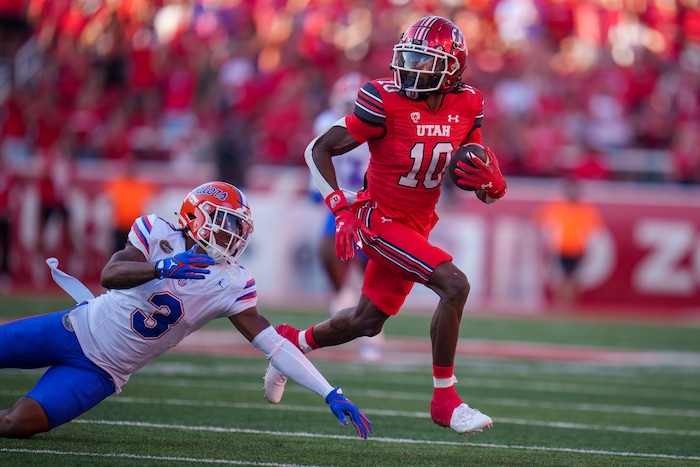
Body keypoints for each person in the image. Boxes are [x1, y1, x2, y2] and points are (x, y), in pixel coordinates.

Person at [264, 16, 507, 436]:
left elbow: (477, 174)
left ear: (451, 70)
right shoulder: (383, 99)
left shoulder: (469, 102)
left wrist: (495, 185)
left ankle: (288, 342)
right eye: (409, 57)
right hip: (378, 219)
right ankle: (444, 401)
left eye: (424, 61)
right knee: (455, 285)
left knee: (365, 322)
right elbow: (318, 149)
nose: (411, 68)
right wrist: (341, 209)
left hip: (419, 224)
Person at [0, 181, 372, 439]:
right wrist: (161, 267)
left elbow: (275, 345)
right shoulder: (157, 232)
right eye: (225, 223)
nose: (233, 235)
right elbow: (110, 274)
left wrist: (328, 391)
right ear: (196, 216)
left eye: (238, 227)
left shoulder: (233, 282)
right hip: (72, 327)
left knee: (18, 424)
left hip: (102, 371)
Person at [312, 72, 384, 361]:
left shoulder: (381, 126)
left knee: (372, 272)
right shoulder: (326, 123)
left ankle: (371, 333)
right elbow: (319, 157)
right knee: (330, 254)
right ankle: (341, 305)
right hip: (342, 201)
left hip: (372, 202)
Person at [534, 178, 605, 305]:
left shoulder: (585, 207)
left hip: (577, 248)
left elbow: (597, 227)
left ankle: (569, 302)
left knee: (572, 277)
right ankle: (560, 302)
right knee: (559, 277)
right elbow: (539, 219)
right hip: (559, 248)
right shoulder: (556, 205)